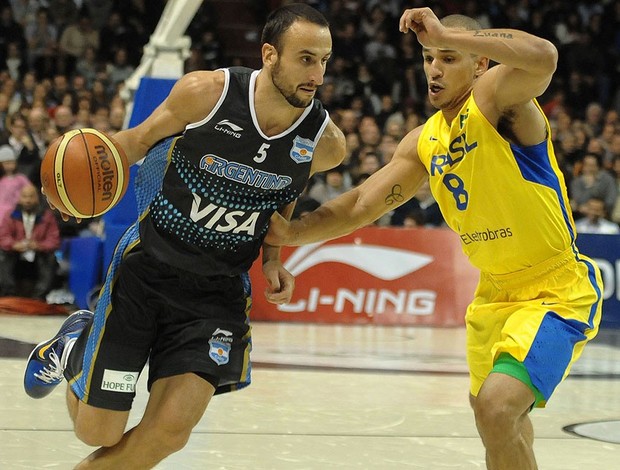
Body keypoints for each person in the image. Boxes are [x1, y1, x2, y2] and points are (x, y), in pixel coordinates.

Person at [266, 7, 603, 470]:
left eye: (448, 57)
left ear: (480, 63)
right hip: (493, 295)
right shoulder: (424, 141)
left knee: (497, 407)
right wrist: (293, 232)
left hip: (554, 290)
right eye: (429, 58)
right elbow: (362, 202)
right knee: (498, 420)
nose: (435, 69)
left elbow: (543, 56)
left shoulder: (495, 98)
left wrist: (449, 33)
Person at [23, 4, 344, 469]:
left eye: (324, 61)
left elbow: (284, 196)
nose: (317, 75)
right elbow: (135, 142)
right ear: (269, 55)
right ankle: (74, 342)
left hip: (217, 294)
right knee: (98, 431)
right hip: (148, 270)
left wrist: (273, 258)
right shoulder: (207, 93)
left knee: (170, 431)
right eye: (306, 59)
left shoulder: (325, 143)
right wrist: (73, 182)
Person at [0, 184, 60, 298]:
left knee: (51, 258)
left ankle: (39, 296)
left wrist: (39, 246)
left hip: (38, 254)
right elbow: (3, 237)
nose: (28, 200)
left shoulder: (47, 216)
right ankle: (8, 294)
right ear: (19, 198)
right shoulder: (10, 215)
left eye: (31, 196)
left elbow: (54, 240)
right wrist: (14, 245)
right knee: (2, 255)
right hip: (16, 254)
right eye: (24, 196)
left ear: (37, 198)